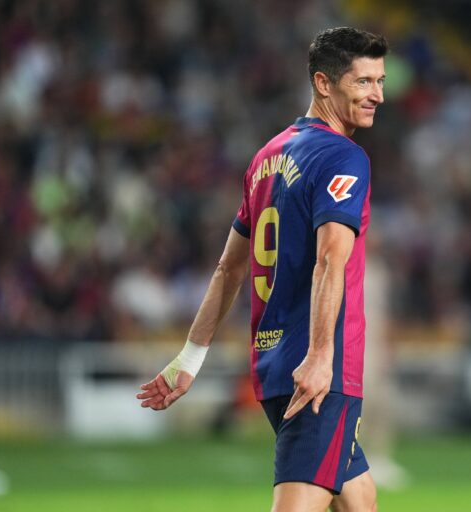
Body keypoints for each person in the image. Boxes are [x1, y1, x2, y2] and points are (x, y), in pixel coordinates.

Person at [136, 27, 387, 511]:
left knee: (358, 499)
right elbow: (331, 259)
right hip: (317, 372)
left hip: (272, 364)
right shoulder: (344, 158)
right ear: (323, 82)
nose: (377, 94)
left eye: (379, 80)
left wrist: (190, 359)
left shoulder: (266, 157)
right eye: (363, 82)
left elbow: (228, 268)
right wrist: (319, 355)